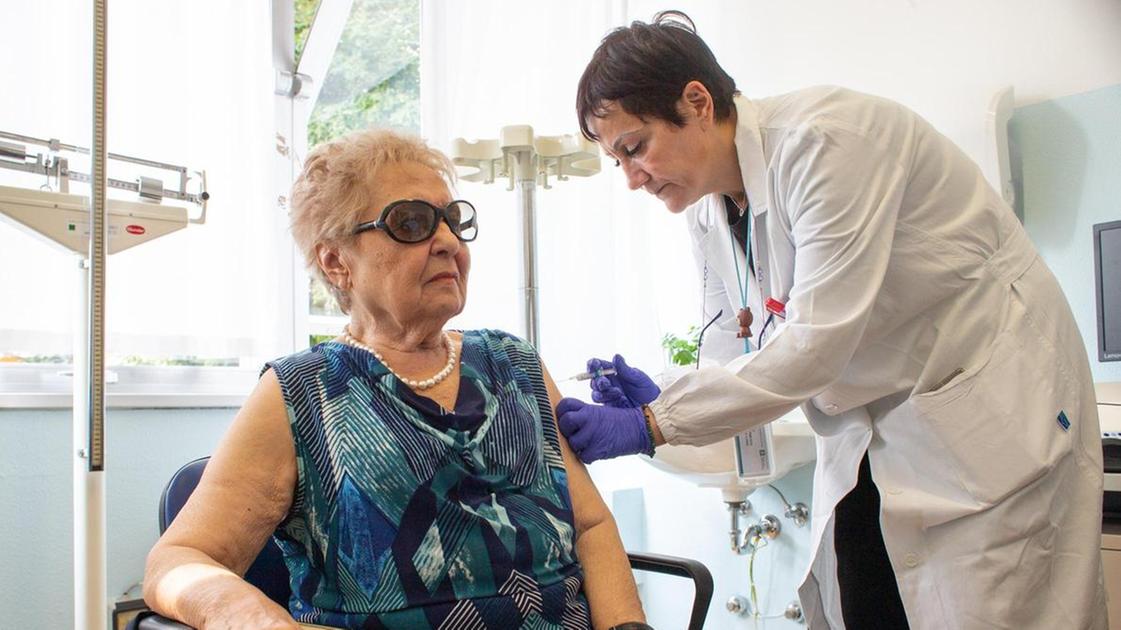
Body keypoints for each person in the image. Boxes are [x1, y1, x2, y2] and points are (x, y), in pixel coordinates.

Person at [557, 10, 1106, 630]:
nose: (631, 179)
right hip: (875, 427)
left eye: (635, 148)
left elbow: (815, 344)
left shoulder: (828, 141)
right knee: (863, 595)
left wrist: (654, 423)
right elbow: (731, 348)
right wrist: (667, 398)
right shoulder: (708, 209)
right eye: (616, 161)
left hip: (990, 409)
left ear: (697, 101)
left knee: (997, 609)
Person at [143, 129, 647, 629]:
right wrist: (256, 620)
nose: (448, 241)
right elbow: (178, 560)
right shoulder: (300, 392)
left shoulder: (514, 363)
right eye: (412, 223)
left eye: (452, 219)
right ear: (336, 261)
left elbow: (590, 524)